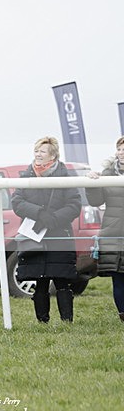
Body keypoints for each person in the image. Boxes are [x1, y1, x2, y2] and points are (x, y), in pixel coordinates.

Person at [12, 137, 81, 323]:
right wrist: (40, 213)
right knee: (40, 280)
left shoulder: (65, 176)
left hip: (59, 234)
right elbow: (17, 202)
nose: (38, 154)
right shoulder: (27, 175)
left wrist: (55, 219)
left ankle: (67, 321)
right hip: (36, 235)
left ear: (53, 154)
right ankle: (42, 321)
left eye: (42, 151)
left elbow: (75, 204)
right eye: (36, 151)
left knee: (61, 279)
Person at [87, 137, 124, 322]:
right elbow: (95, 201)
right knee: (118, 278)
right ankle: (123, 315)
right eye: (119, 149)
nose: (122, 152)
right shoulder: (107, 173)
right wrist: (92, 183)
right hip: (113, 233)